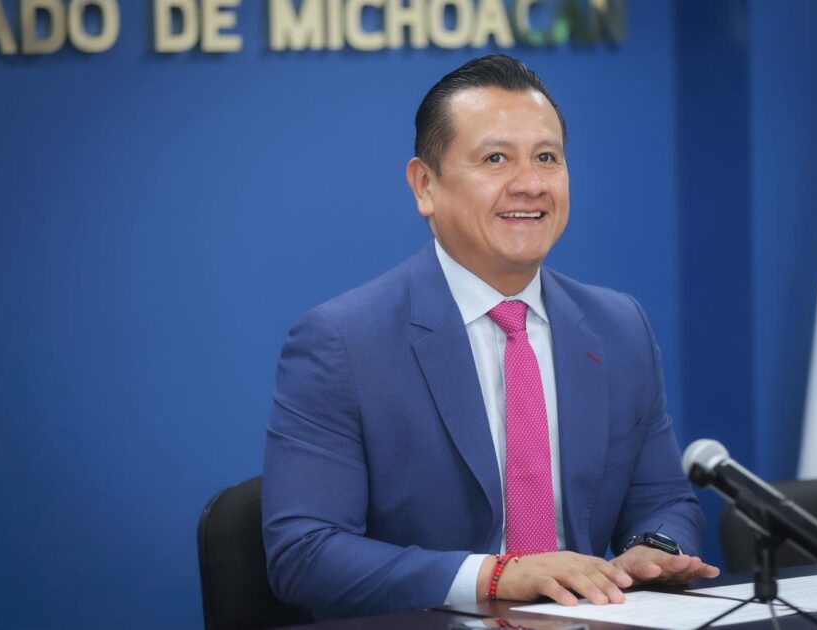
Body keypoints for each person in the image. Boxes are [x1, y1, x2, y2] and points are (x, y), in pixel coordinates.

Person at [262, 54, 718, 621]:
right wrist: (495, 576)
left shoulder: (618, 326)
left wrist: (654, 549)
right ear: (425, 185)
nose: (530, 185)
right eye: (496, 159)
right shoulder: (343, 342)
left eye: (547, 158)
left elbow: (664, 500)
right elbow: (305, 554)